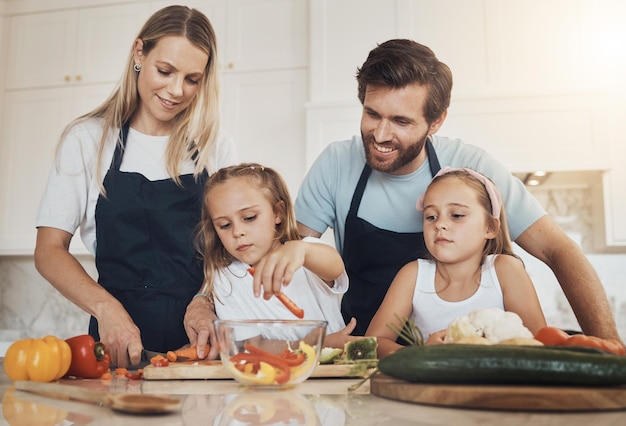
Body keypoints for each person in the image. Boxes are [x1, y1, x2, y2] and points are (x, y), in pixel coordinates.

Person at [294, 38, 621, 342]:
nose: (380, 134)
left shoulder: (472, 167)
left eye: (401, 121)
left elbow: (558, 250)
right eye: (371, 113)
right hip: (364, 355)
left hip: (458, 361)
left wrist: (612, 352)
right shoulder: (336, 163)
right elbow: (290, 261)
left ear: (436, 122)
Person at [34, 5, 235, 367]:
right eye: (165, 70)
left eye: (192, 79)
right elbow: (49, 250)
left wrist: (205, 299)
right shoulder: (88, 140)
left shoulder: (212, 145)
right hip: (113, 346)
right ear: (139, 53)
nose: (176, 90)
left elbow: (232, 246)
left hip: (197, 347)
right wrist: (106, 308)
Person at [366, 167, 547, 357]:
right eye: (431, 217)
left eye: (457, 215)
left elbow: (541, 344)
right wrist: (421, 354)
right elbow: (374, 342)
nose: (439, 224)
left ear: (490, 227)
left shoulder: (505, 270)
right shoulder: (413, 274)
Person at [194, 163, 357, 348]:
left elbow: (335, 268)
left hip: (335, 371)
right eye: (224, 225)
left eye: (249, 218)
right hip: (270, 374)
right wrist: (319, 343)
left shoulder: (304, 255)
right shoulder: (225, 280)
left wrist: (302, 251)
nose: (237, 231)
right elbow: (255, 345)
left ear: (278, 212)